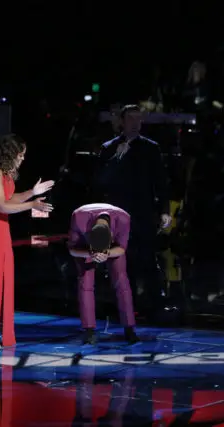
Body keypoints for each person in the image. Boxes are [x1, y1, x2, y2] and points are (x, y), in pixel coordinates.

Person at [0, 134, 54, 348]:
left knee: (1, 279)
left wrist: (32, 193)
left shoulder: (6, 173)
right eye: (20, 154)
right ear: (10, 153)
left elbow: (8, 199)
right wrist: (31, 205)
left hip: (1, 225)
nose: (22, 159)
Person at [94, 104, 171, 317]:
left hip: (143, 212)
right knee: (121, 262)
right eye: (131, 119)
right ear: (122, 122)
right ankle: (126, 306)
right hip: (118, 214)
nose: (135, 123)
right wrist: (116, 158)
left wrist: (164, 210)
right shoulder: (109, 148)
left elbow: (161, 182)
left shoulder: (151, 148)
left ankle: (155, 305)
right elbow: (100, 182)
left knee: (147, 258)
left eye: (139, 119)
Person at [68, 203, 139, 345]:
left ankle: (129, 328)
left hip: (113, 248)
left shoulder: (123, 219)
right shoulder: (78, 217)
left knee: (121, 280)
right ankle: (89, 330)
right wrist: (90, 253)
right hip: (85, 246)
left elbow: (122, 248)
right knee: (85, 281)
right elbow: (72, 249)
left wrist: (107, 253)